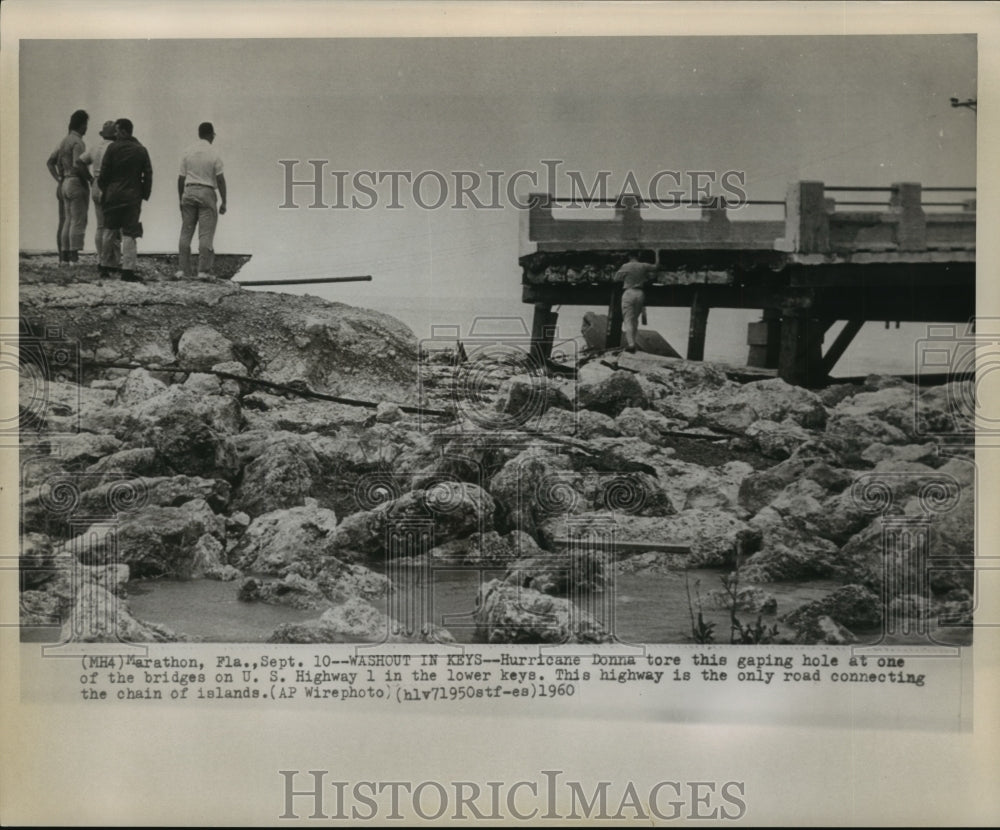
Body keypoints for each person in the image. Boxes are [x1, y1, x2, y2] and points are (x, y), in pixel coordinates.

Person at [98, 118, 152, 283]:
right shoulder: (141, 150)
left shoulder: (112, 148)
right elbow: (148, 174)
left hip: (113, 195)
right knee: (130, 233)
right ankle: (128, 270)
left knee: (109, 230)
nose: (114, 134)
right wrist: (144, 193)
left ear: (123, 131)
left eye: (116, 131)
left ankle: (105, 266)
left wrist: (105, 189)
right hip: (132, 196)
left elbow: (104, 173)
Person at [176, 122, 227, 279]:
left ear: (199, 134)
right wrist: (224, 201)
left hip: (189, 191)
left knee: (186, 232)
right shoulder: (214, 153)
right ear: (211, 134)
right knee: (205, 234)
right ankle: (203, 271)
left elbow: (180, 178)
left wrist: (181, 199)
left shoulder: (187, 151)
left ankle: (183, 271)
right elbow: (220, 179)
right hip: (206, 192)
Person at [76, 120, 121, 277]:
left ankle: (101, 259)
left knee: (100, 225)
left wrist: (89, 178)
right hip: (110, 186)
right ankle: (110, 262)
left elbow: (79, 162)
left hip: (96, 184)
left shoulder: (95, 147)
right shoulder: (115, 147)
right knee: (113, 226)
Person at [46, 109, 90, 264]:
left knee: (67, 220)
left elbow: (50, 162)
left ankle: (64, 257)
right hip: (76, 181)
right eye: (85, 124)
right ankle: (74, 257)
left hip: (64, 181)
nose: (86, 128)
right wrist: (89, 180)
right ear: (81, 124)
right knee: (78, 220)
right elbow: (79, 165)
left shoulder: (64, 141)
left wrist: (59, 178)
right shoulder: (78, 142)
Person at [614, 251, 656, 353]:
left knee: (628, 319)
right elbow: (656, 267)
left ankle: (631, 344)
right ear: (639, 256)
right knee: (635, 320)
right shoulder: (643, 265)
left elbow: (616, 279)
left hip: (629, 292)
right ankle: (633, 343)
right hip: (640, 293)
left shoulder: (626, 266)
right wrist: (657, 253)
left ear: (629, 256)